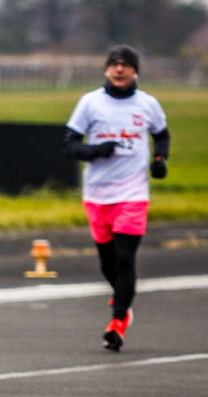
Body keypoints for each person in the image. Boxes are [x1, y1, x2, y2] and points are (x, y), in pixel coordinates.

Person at [64, 44, 169, 351]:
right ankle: (123, 299)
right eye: (114, 64)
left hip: (133, 192)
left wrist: (160, 159)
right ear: (107, 69)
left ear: (136, 71)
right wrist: (95, 150)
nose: (119, 69)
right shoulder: (90, 103)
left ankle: (118, 321)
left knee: (125, 259)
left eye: (126, 64)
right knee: (107, 262)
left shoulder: (148, 104)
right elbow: (69, 145)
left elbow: (161, 134)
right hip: (97, 193)